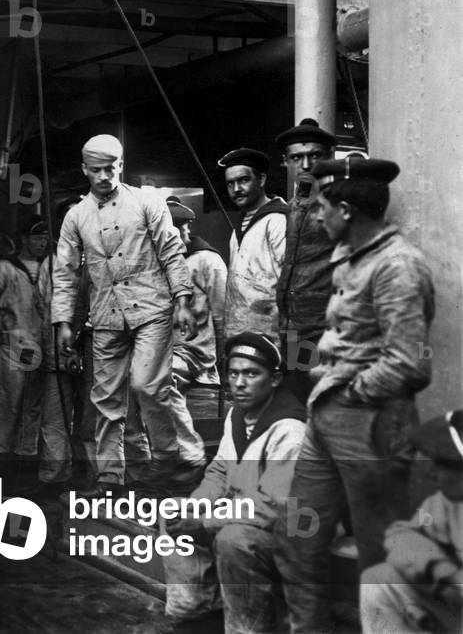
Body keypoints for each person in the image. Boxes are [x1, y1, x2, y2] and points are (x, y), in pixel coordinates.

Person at [275, 156, 435, 633]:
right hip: (326, 421)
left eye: (323, 206)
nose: (316, 216)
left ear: (345, 209)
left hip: (371, 424)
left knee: (379, 557)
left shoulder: (397, 266)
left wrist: (349, 390)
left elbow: (408, 361)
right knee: (297, 537)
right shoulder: (351, 255)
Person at [52, 134, 203, 499]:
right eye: (97, 170)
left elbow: (170, 250)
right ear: (85, 170)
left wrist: (182, 298)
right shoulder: (76, 216)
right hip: (106, 315)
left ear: (122, 166)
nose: (105, 176)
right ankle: (110, 478)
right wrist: (63, 322)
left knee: (147, 386)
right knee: (105, 399)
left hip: (152, 308)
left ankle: (171, 456)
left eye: (112, 168)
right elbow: (65, 272)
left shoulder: (147, 201)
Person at [160, 333, 306, 634]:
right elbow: (219, 471)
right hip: (243, 516)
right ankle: (199, 613)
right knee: (174, 510)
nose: (239, 383)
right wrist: (195, 509)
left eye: (252, 373)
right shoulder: (237, 415)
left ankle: (246, 629)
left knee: (233, 539)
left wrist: (204, 522)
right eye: (234, 373)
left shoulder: (290, 429)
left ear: (275, 378)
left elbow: (271, 508)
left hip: (290, 534)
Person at [359, 410, 463, 634]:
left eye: (442, 463)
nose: (431, 473)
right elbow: (401, 536)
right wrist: (444, 574)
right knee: (378, 579)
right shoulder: (447, 503)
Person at [274, 119, 337, 402]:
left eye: (315, 155)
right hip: (291, 326)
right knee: (297, 398)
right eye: (297, 157)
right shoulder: (296, 203)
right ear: (286, 162)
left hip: (321, 329)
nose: (307, 164)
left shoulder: (339, 203)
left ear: (330, 158)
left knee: (318, 401)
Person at [0, 216, 49, 482]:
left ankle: (26, 459)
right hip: (14, 343)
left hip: (41, 343)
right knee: (9, 403)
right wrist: (2, 328)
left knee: (33, 405)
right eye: (36, 237)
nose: (41, 243)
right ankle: (0, 459)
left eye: (45, 238)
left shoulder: (51, 266)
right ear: (24, 239)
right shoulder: (5, 268)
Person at [217, 148, 287, 342]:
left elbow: (291, 284)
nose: (236, 189)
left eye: (243, 180)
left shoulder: (278, 221)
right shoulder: (238, 228)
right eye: (230, 183)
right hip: (239, 333)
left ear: (262, 180)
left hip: (271, 337)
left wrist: (290, 341)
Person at [167, 197, 227, 389]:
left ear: (187, 227)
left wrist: (222, 360)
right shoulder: (156, 260)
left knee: (161, 377)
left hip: (193, 351)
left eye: (180, 226)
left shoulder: (206, 260)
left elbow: (221, 313)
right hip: (161, 348)